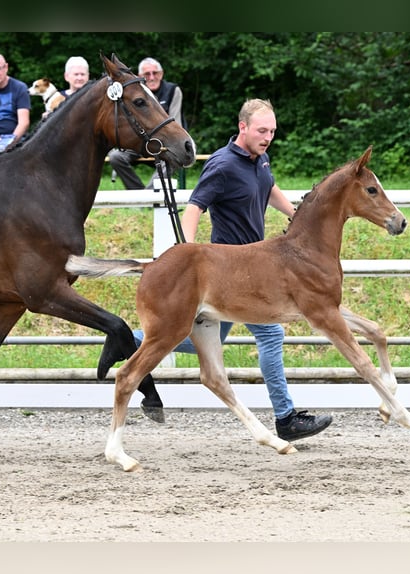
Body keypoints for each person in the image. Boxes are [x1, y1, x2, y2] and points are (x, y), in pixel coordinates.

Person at [135, 98, 333, 442]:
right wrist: (187, 254)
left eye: (271, 131)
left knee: (203, 337)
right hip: (229, 271)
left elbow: (268, 188)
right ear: (242, 127)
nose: (268, 136)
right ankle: (285, 418)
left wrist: (298, 219)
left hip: (257, 265)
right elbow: (196, 206)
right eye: (262, 130)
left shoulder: (260, 159)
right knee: (271, 334)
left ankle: (131, 340)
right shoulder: (223, 164)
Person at [107, 57, 184, 189]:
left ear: (162, 74)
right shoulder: (131, 91)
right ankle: (138, 193)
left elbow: (176, 123)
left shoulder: (173, 91)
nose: (152, 77)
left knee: (173, 158)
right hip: (139, 142)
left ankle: (147, 197)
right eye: (147, 74)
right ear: (139, 76)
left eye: (155, 73)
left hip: (164, 143)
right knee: (115, 157)